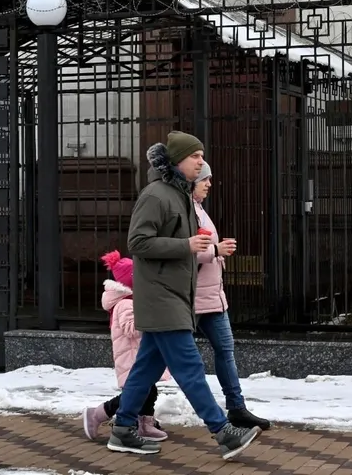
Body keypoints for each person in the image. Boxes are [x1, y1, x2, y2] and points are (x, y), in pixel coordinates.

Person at [106, 131, 260, 461]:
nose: (201, 162)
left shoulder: (182, 197)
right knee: (190, 367)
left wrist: (199, 246)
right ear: (177, 161)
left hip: (176, 296)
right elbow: (138, 242)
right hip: (161, 298)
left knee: (144, 369)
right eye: (195, 156)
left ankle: (122, 428)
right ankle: (223, 432)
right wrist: (185, 245)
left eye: (202, 156)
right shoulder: (156, 195)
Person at [192, 162, 272, 432]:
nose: (209, 184)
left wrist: (216, 250)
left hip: (212, 297)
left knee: (225, 349)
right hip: (194, 298)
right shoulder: (186, 209)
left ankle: (236, 407)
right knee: (164, 359)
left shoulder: (199, 209)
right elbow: (187, 251)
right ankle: (130, 408)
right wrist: (217, 250)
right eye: (205, 179)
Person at [82, 250, 170, 443]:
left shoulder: (131, 301)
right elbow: (132, 329)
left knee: (147, 391)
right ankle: (98, 414)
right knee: (137, 392)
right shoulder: (125, 304)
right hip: (131, 358)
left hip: (139, 355)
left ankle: (144, 423)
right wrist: (151, 317)